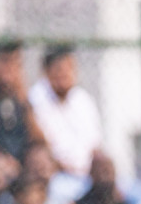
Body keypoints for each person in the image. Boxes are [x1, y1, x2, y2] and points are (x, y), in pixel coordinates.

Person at [28, 45, 102, 177]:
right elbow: (43, 145)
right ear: (46, 72)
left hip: (89, 175)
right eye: (60, 69)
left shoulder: (82, 99)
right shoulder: (36, 99)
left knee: (137, 194)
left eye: (70, 68)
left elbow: (95, 146)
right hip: (57, 175)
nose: (66, 74)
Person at [0, 39, 45, 164]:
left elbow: (39, 139)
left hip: (22, 158)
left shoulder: (21, 94)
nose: (10, 67)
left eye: (15, 62)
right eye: (5, 61)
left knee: (41, 161)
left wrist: (24, 102)